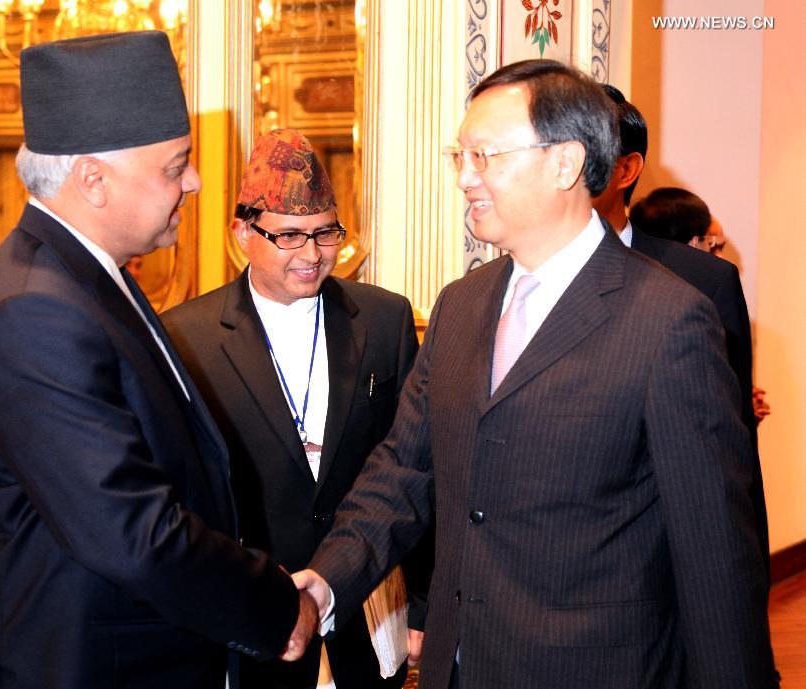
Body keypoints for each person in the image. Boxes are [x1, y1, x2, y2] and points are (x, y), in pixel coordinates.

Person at [295, 60, 776, 689]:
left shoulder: (667, 320)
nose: (465, 177)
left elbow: (714, 553)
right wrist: (325, 582)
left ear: (565, 164)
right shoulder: (460, 305)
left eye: (485, 155)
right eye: (458, 155)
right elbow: (404, 470)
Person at [0, 31, 315, 689]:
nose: (196, 182)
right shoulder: (34, 309)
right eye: (175, 166)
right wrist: (276, 602)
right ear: (93, 179)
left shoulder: (80, 275)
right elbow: (133, 532)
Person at [162, 128, 424, 689]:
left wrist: (422, 605)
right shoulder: (187, 338)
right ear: (242, 233)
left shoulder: (385, 319)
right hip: (253, 622)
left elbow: (416, 464)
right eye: (289, 237)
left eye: (325, 233)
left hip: (368, 609)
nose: (312, 255)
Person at [592, 84, 770, 575]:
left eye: (581, 145)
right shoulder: (496, 285)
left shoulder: (702, 281)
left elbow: (730, 456)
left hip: (657, 566)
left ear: (626, 168)